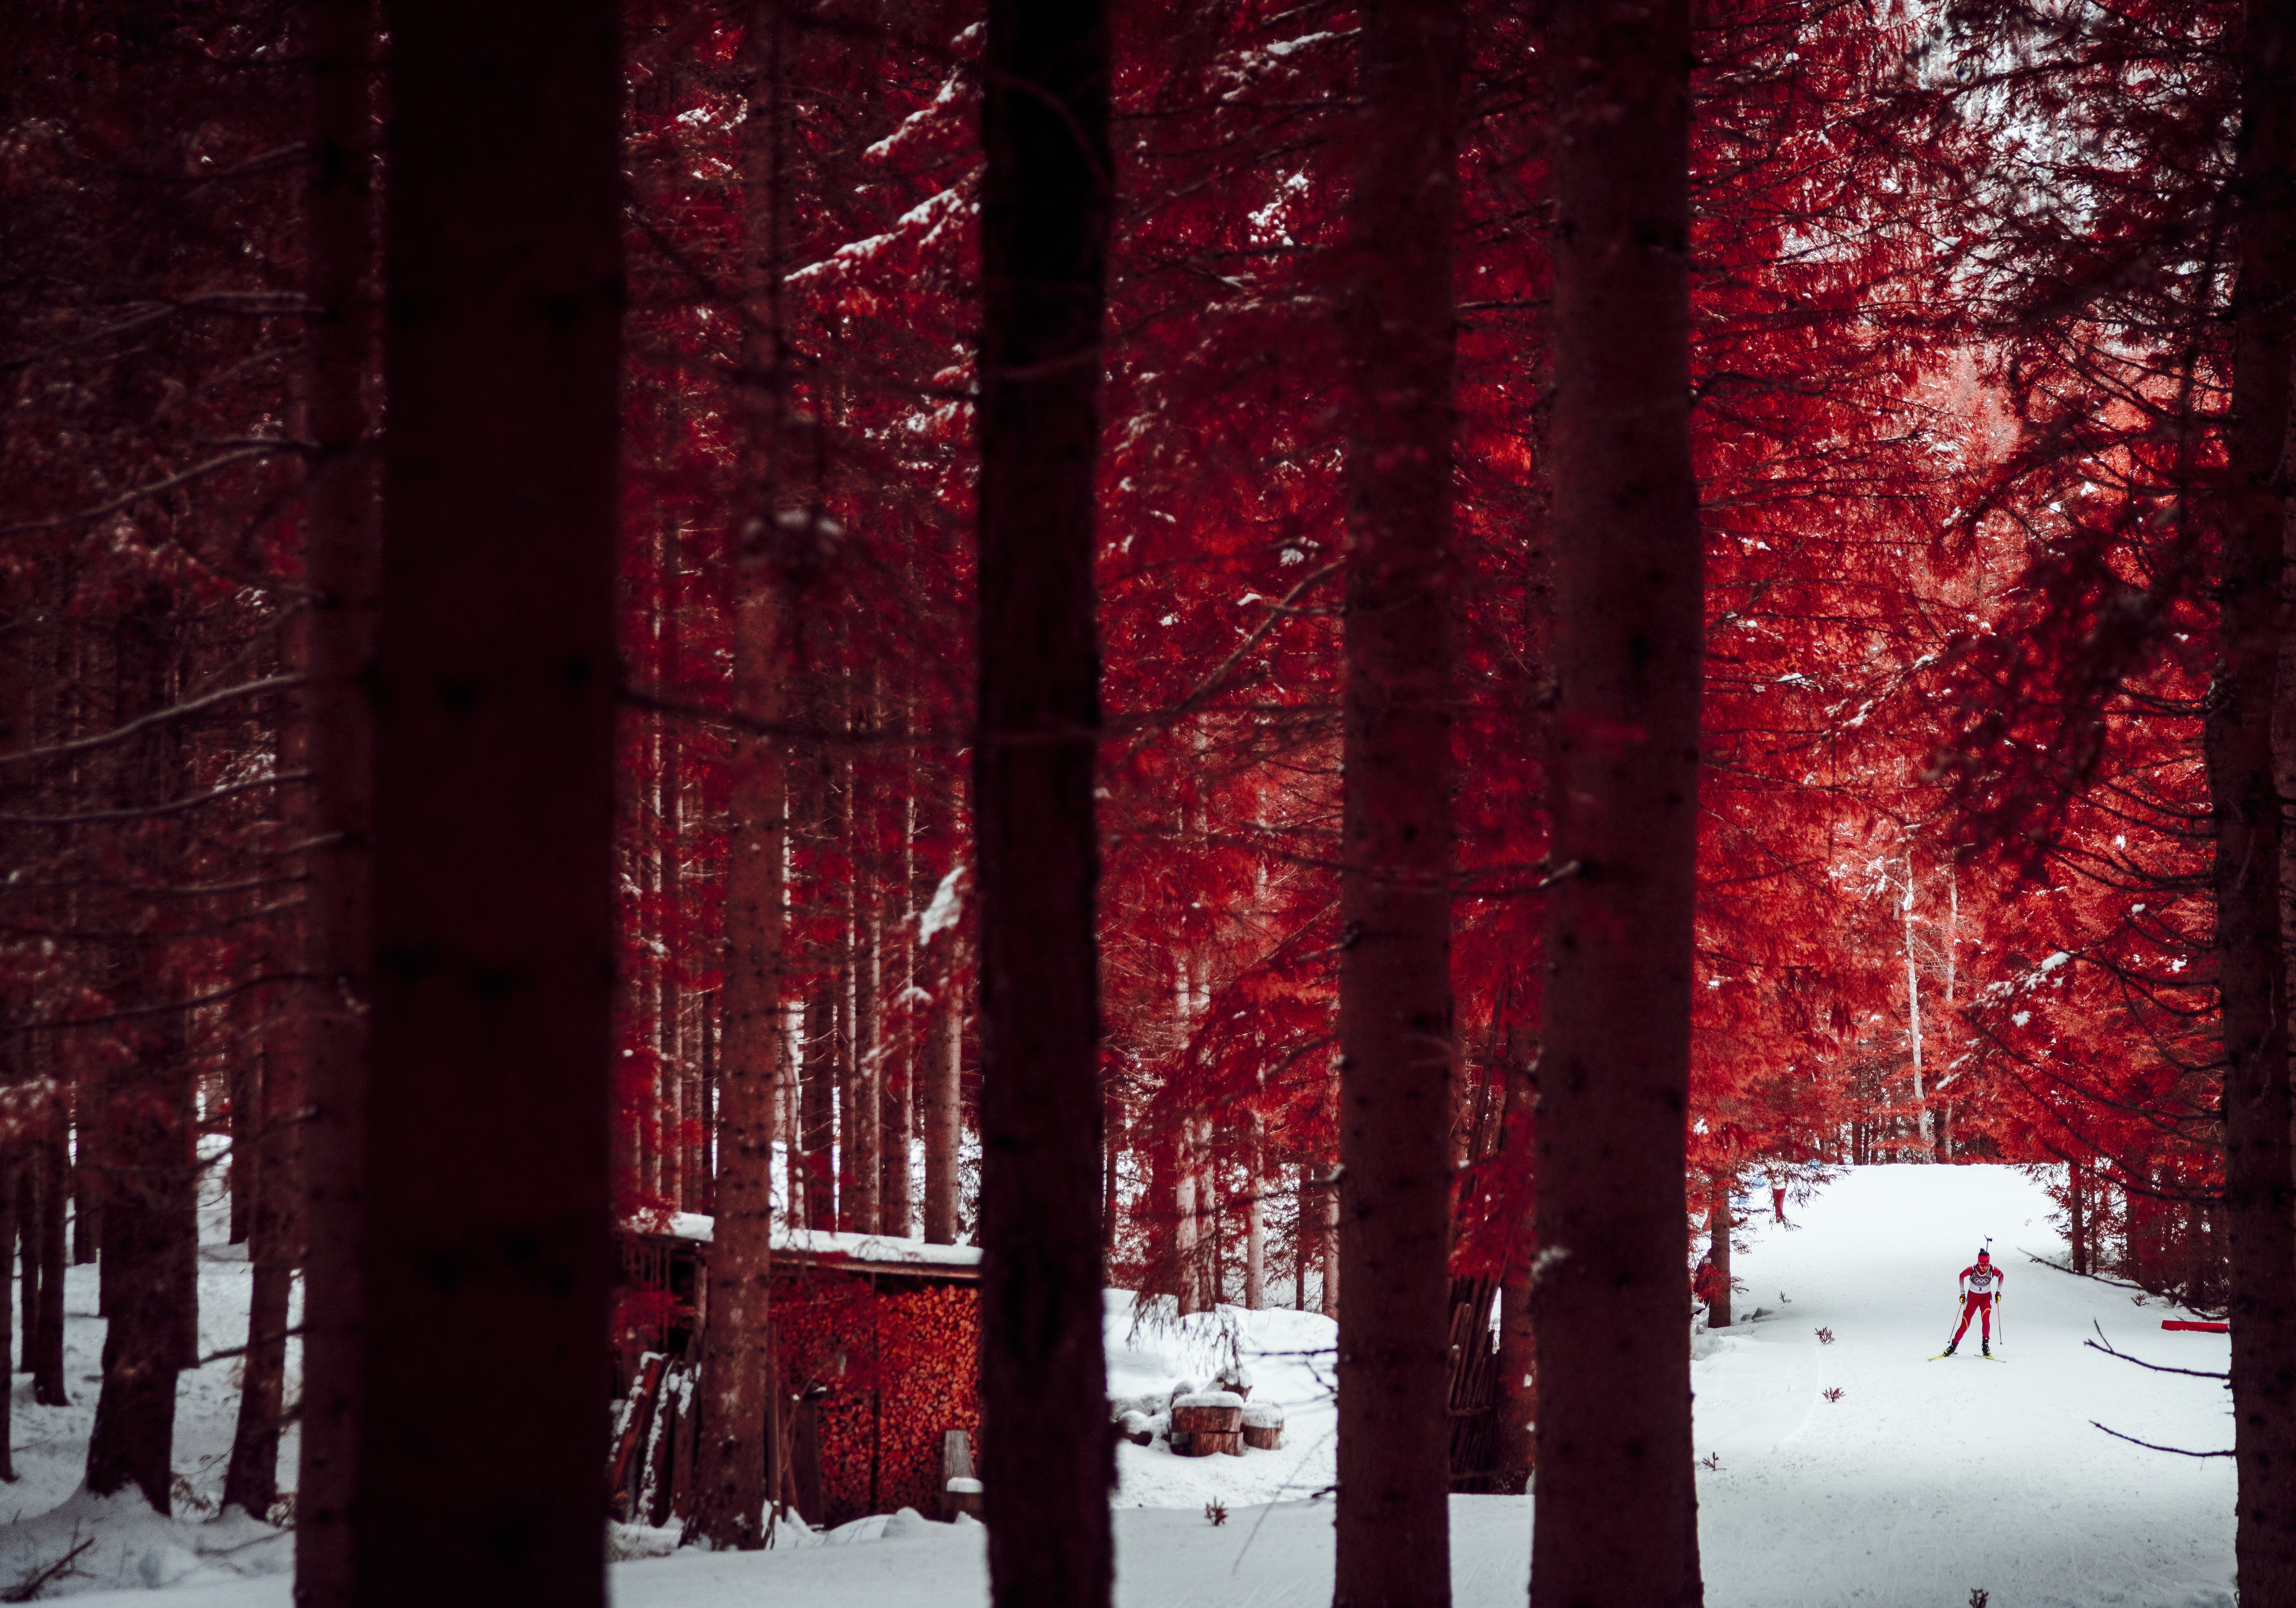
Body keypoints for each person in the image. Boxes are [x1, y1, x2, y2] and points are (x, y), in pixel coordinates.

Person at [1944, 1248, 2003, 1356]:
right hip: (1973, 1298)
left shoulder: (1992, 1269)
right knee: (1965, 1324)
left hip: (1986, 1298)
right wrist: (1963, 1294)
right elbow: (1961, 1276)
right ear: (1978, 1262)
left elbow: (2001, 1276)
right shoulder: (1972, 1269)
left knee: (1986, 1319)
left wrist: (1998, 1293)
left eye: (1987, 1264)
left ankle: (1986, 1347)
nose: (1984, 1267)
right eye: (1982, 1264)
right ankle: (1953, 1347)